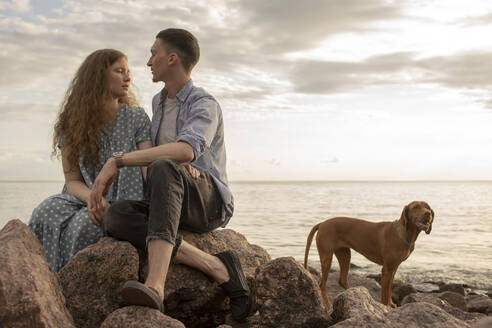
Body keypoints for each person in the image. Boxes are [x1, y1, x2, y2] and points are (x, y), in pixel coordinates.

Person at [89, 28, 255, 321]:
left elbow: (186, 151)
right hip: (171, 198)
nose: (148, 61)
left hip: (209, 202)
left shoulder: (204, 104)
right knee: (116, 216)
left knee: (165, 165)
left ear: (172, 58)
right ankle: (217, 266)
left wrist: (118, 161)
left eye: (154, 53)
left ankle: (155, 286)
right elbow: (168, 158)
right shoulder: (158, 102)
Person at [28, 49, 152, 273]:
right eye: (119, 71)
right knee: (43, 213)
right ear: (98, 76)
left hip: (125, 200)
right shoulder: (72, 122)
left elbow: (147, 166)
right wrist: (93, 199)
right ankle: (42, 279)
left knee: (85, 225)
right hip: (82, 197)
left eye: (128, 72)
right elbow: (72, 179)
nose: (128, 78)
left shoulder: (136, 117)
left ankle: (71, 285)